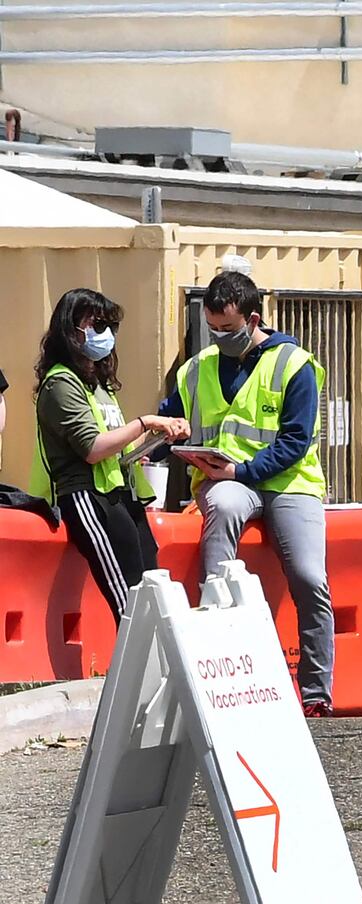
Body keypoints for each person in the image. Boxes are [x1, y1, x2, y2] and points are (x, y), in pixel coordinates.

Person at [158, 270, 335, 717]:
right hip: (228, 485)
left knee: (311, 578)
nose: (219, 337)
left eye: (228, 329)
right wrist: (170, 435)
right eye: (213, 328)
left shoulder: (294, 365)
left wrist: (244, 469)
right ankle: (218, 663)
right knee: (219, 516)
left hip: (290, 484)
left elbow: (296, 442)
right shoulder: (196, 369)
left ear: (254, 319)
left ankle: (316, 694)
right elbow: (172, 419)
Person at [29, 288, 187, 622]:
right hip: (87, 498)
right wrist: (144, 423)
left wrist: (149, 441)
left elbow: (115, 444)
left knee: (152, 585)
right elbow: (92, 448)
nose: (107, 335)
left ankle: (157, 670)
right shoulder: (61, 384)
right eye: (98, 325)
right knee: (128, 601)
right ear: (72, 329)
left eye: (111, 328)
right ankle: (134, 673)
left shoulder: (98, 382)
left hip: (120, 494)